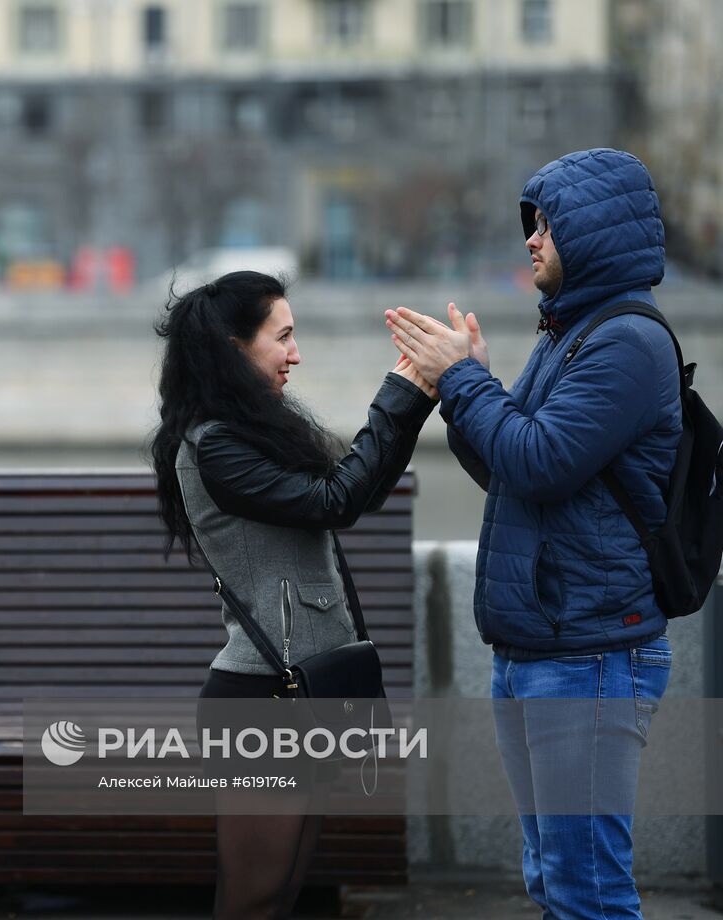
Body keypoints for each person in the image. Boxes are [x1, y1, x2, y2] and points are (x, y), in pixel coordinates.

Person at [385, 148, 680, 919]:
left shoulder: (626, 343)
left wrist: (464, 378)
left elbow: (541, 459)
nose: (531, 239)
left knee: (589, 890)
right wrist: (465, 390)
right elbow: (514, 470)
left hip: (590, 652)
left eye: (545, 223)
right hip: (541, 649)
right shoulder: (569, 336)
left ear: (592, 231)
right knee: (555, 879)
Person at [150, 271, 437, 919]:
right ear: (233, 348)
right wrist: (404, 393)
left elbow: (347, 492)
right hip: (262, 702)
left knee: (278, 897)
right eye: (282, 337)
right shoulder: (215, 445)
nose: (295, 353)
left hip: (305, 693)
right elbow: (337, 500)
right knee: (253, 900)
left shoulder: (252, 433)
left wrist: (417, 397)